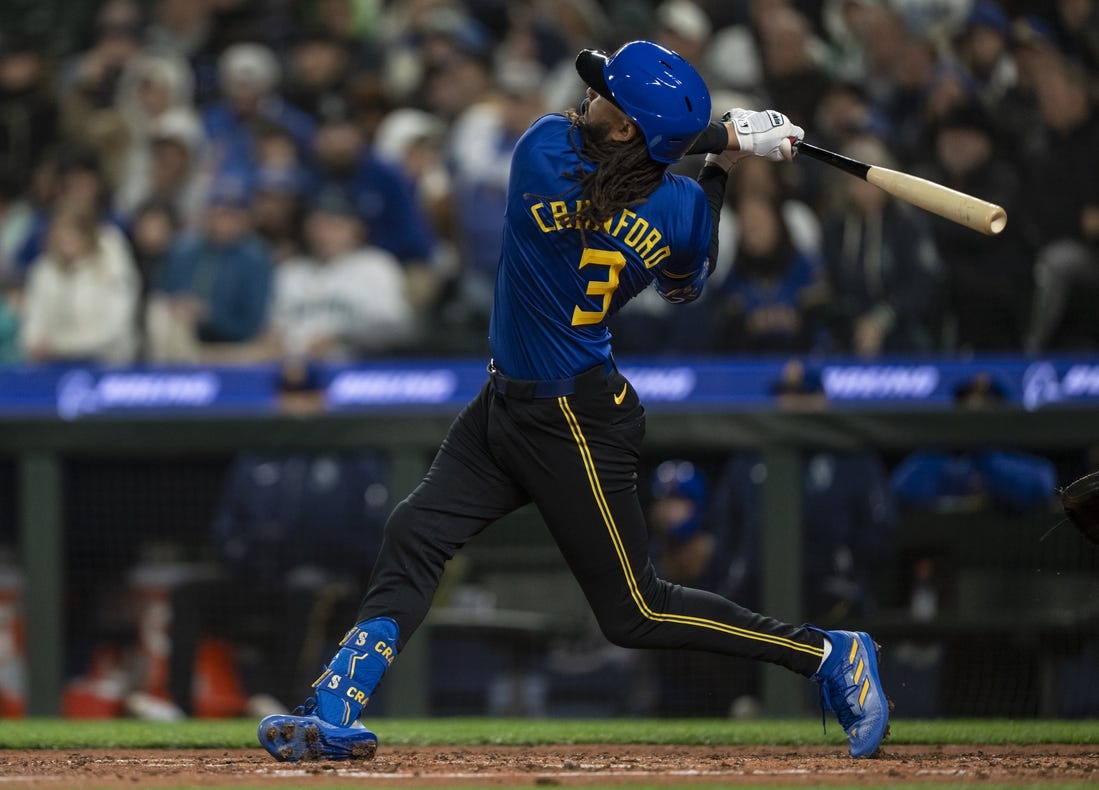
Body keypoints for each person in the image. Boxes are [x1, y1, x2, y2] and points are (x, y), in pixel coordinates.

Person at [257, 40, 889, 763]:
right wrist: (720, 161)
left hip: (574, 422)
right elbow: (688, 279)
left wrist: (721, 138)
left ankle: (830, 654)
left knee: (636, 611)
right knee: (415, 531)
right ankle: (332, 705)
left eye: (606, 98)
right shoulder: (678, 204)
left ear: (624, 130)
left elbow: (614, 162)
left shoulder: (541, 153)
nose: (588, 96)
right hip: (511, 406)